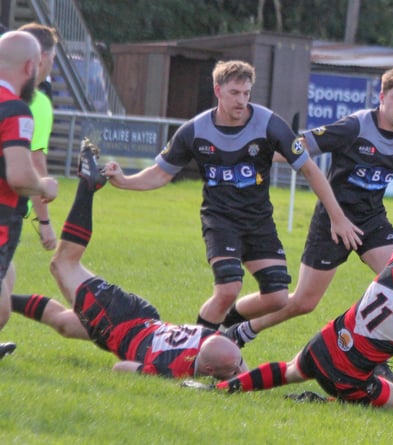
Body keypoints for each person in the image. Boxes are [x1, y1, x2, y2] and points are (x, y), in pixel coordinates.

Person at [103, 60, 361, 336]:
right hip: (220, 220)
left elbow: (310, 169)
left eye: (246, 93)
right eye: (235, 93)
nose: (241, 100)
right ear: (218, 91)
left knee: (277, 298)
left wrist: (338, 217)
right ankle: (192, 352)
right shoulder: (194, 131)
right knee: (228, 289)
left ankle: (226, 326)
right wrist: (123, 181)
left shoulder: (270, 124)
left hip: (258, 222)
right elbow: (159, 174)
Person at [222, 65, 393, 385]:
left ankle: (373, 360)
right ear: (381, 97)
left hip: (372, 221)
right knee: (302, 303)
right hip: (333, 221)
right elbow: (301, 145)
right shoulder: (354, 127)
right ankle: (240, 328)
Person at [184, 212, 393, 408]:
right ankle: (327, 402)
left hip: (324, 344)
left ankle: (221, 389)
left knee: (288, 370)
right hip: (348, 379)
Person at [11, 140, 246, 379]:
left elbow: (236, 364)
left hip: (140, 321)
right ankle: (87, 186)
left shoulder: (216, 342)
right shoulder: (173, 369)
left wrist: (241, 379)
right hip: (118, 322)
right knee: (63, 264)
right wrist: (167, 378)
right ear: (207, 371)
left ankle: (4, 300)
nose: (238, 370)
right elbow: (120, 368)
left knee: (65, 324)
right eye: (236, 368)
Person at [0, 30, 59, 359]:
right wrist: (44, 186)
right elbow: (21, 175)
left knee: (8, 279)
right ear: (29, 67)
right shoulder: (15, 109)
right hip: (2, 216)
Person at [18, 22, 59, 250]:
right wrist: (44, 221)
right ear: (41, 57)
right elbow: (34, 162)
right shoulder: (36, 102)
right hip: (7, 206)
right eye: (53, 56)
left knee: (8, 273)